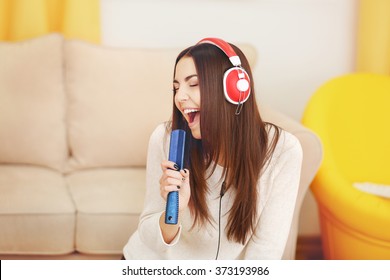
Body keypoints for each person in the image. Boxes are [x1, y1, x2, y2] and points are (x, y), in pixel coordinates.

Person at [122, 38, 303, 260]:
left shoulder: (283, 151)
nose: (180, 97)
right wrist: (174, 212)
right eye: (176, 88)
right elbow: (150, 237)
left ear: (235, 90)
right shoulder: (166, 139)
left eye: (194, 84)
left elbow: (266, 250)